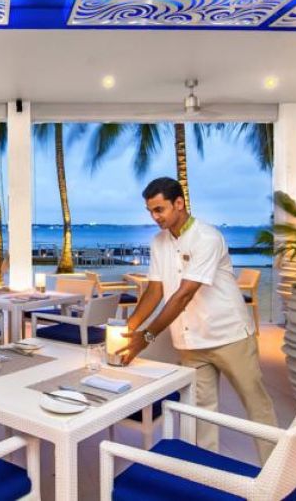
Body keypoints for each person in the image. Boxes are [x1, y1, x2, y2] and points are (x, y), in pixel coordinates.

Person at [117, 176, 278, 463]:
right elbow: (155, 290)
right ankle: (204, 474)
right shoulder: (158, 242)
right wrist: (129, 327)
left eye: (159, 209)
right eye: (151, 211)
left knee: (257, 405)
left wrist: (148, 337)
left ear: (179, 203)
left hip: (229, 336)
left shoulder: (207, 238)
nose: (155, 217)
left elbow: (183, 295)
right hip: (190, 342)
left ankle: (278, 473)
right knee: (201, 414)